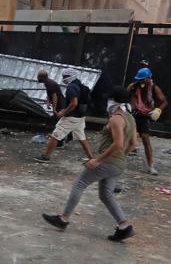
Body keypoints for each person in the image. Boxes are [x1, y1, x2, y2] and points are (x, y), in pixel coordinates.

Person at [42, 86, 137, 242]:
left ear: (114, 100)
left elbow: (119, 143)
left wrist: (98, 159)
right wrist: (121, 158)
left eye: (109, 99)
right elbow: (133, 143)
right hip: (118, 164)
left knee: (80, 184)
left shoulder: (116, 119)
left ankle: (64, 218)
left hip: (107, 161)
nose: (107, 102)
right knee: (106, 194)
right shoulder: (130, 118)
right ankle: (124, 226)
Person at [34, 68, 94, 163]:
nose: (63, 78)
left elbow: (74, 103)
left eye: (65, 77)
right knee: (82, 137)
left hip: (71, 117)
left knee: (55, 135)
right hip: (80, 117)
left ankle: (46, 157)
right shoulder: (79, 84)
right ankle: (92, 158)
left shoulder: (71, 87)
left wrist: (63, 112)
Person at [127, 68, 168, 175]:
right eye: (139, 80)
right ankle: (117, 161)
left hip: (144, 116)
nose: (140, 82)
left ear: (148, 78)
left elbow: (164, 101)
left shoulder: (154, 88)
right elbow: (124, 97)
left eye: (142, 80)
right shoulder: (133, 86)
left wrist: (158, 110)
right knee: (125, 138)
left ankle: (150, 166)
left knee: (145, 139)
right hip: (132, 114)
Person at [37, 69, 71, 148]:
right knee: (59, 123)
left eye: (38, 77)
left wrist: (54, 109)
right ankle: (67, 137)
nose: (37, 79)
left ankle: (61, 142)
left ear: (42, 77)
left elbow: (55, 97)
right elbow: (49, 95)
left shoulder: (50, 84)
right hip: (60, 104)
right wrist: (48, 102)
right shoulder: (47, 83)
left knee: (59, 124)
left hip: (60, 105)